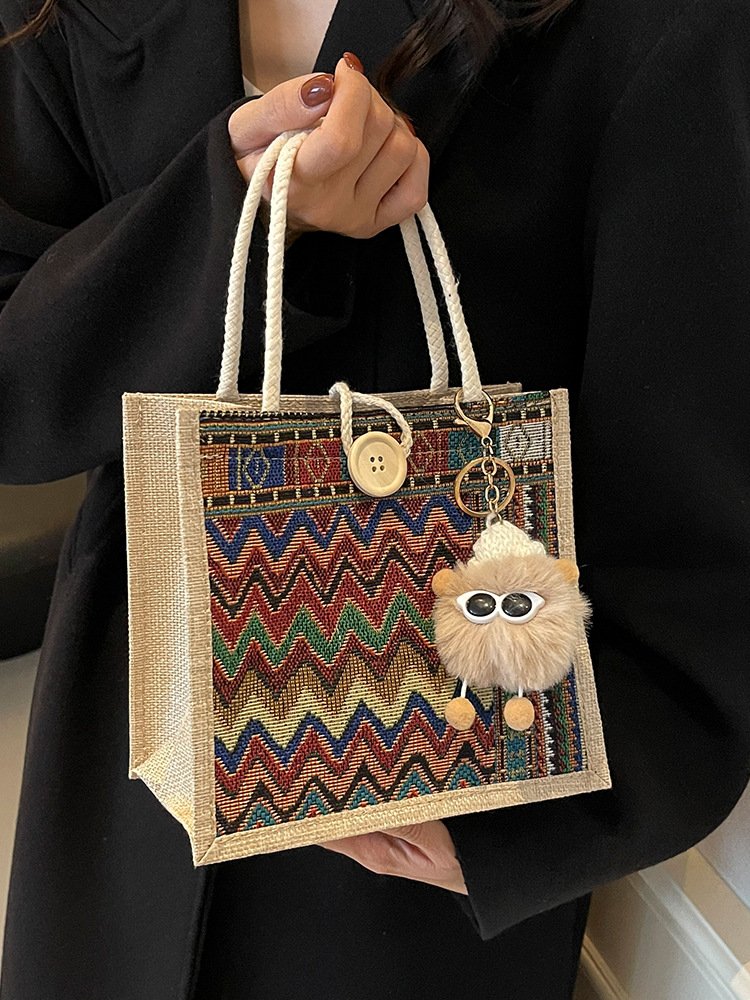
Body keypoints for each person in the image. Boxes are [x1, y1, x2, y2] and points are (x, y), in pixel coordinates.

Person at [1, 0, 749, 997]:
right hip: (125, 781)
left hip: (420, 848)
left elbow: (698, 554)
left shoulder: (661, 27)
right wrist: (236, 207)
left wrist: (529, 828)